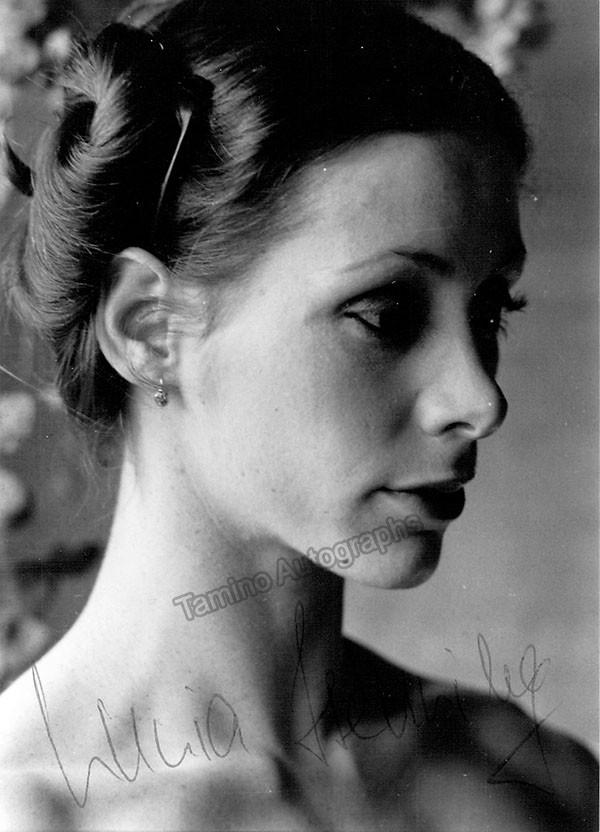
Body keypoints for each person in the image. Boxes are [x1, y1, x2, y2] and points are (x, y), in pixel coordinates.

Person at [0, 0, 597, 828]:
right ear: (148, 327)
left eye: (489, 312)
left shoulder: (532, 781)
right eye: (386, 314)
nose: (481, 401)